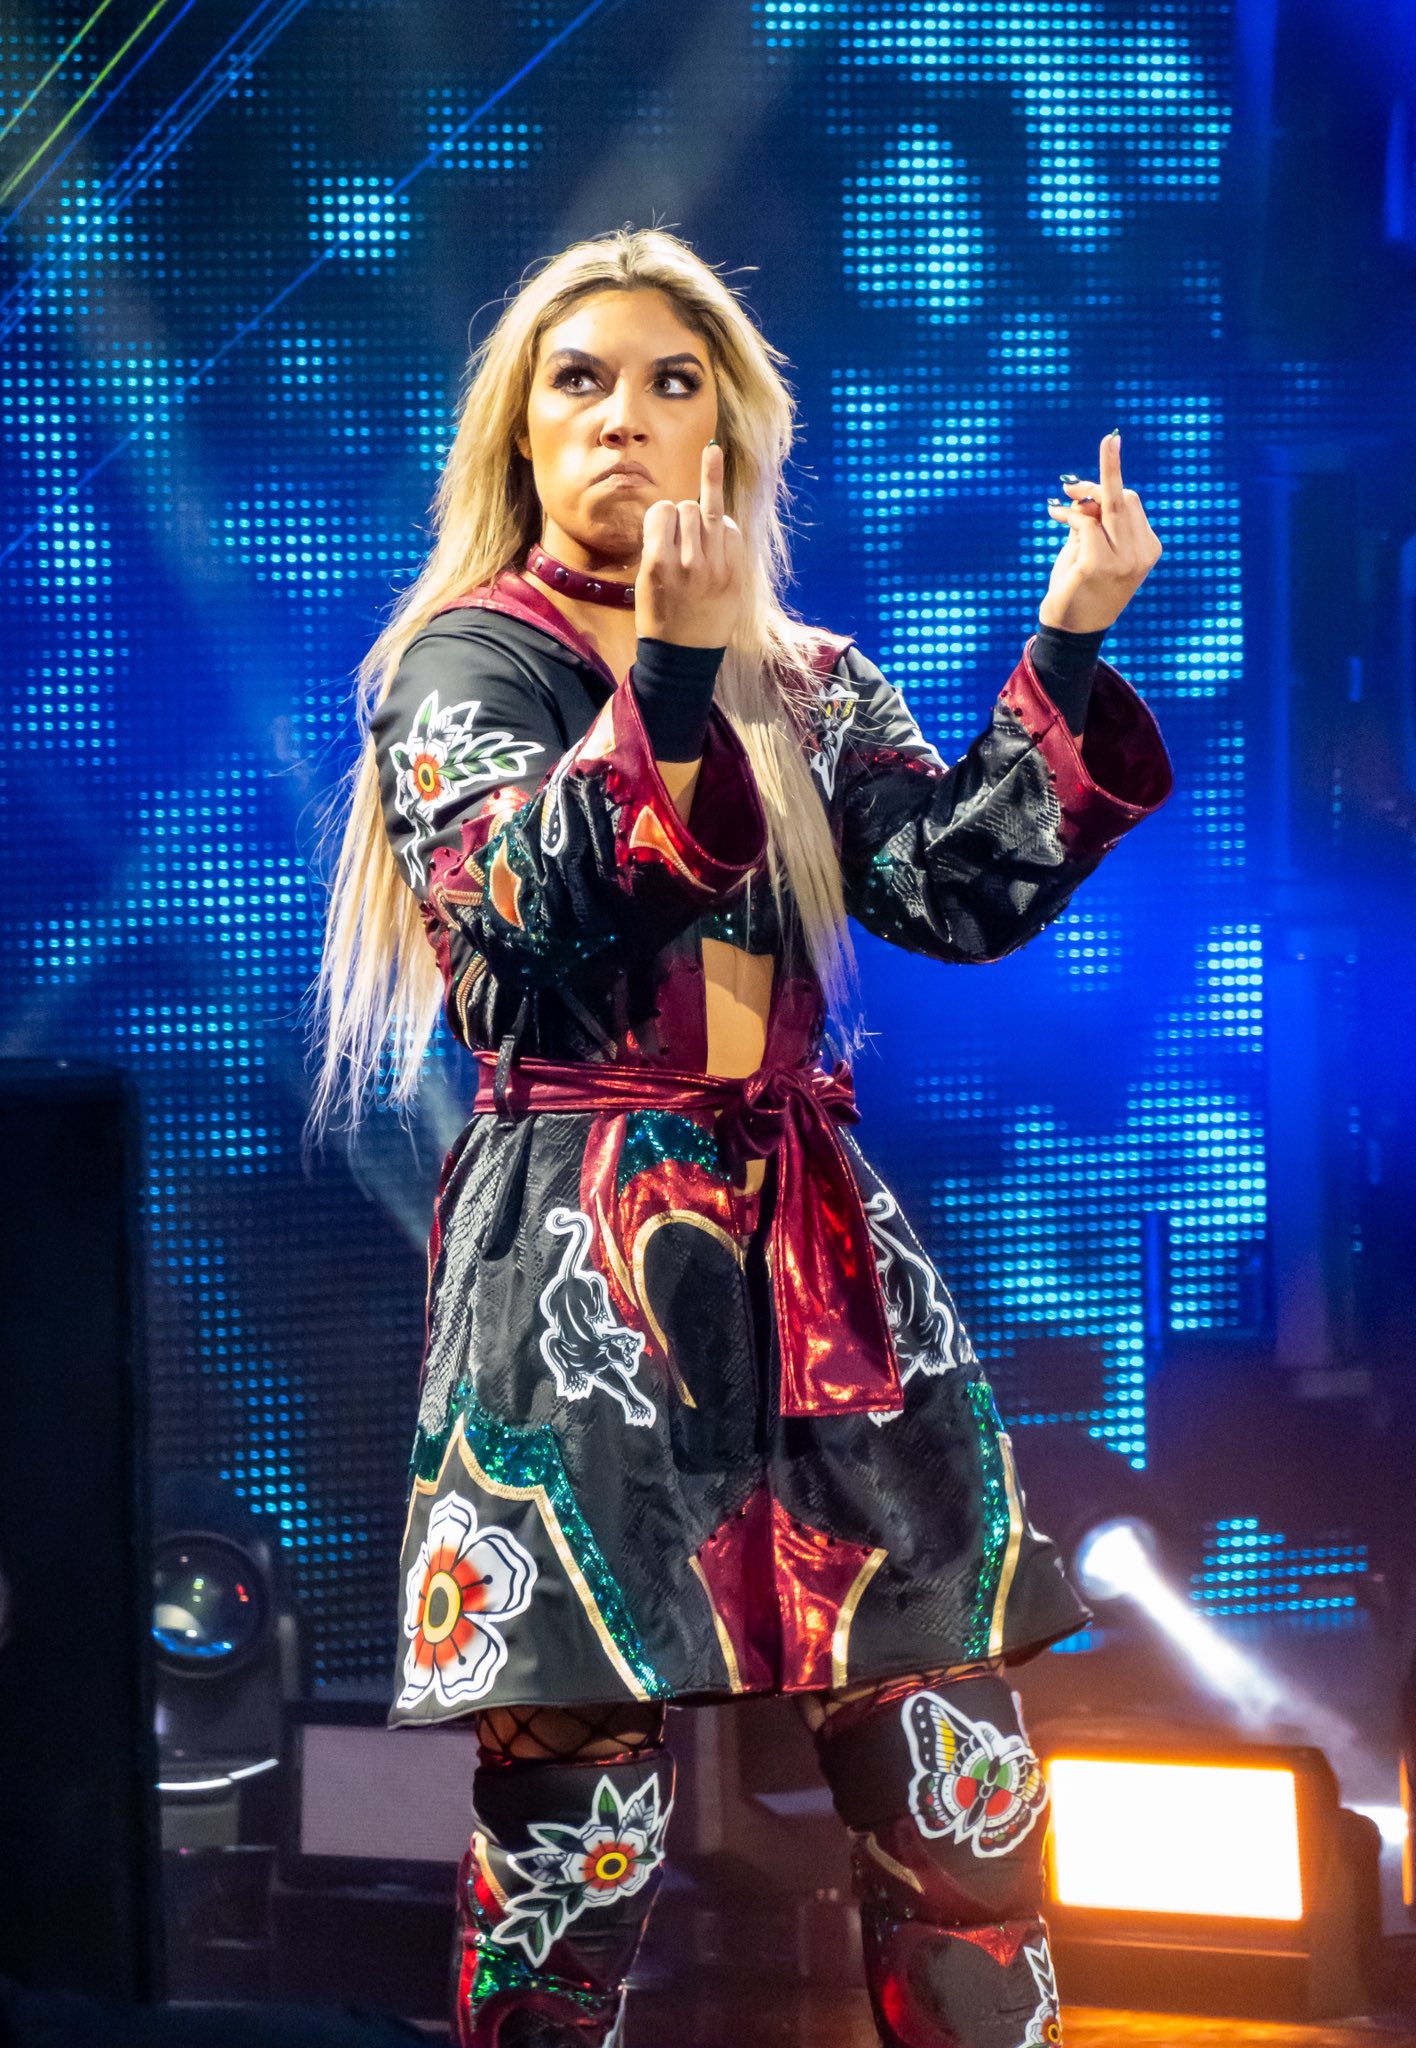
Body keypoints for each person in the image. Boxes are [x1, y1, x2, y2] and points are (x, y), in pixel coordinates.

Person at [307, 226, 1172, 2048]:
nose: (623, 417)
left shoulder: (814, 675)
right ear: (522, 432)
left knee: (962, 1796)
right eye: (579, 381)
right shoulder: (462, 665)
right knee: (578, 1843)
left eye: (671, 382)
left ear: (730, 435)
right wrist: (678, 676)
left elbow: (957, 891)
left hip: (818, 1261)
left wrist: (1071, 635)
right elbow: (536, 905)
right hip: (579, 1272)